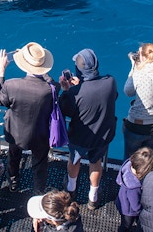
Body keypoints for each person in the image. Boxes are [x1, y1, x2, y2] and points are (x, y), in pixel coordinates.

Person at [0, 42, 58, 194]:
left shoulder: (11, 85)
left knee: (13, 158)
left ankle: (14, 183)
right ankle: (38, 192)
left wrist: (0, 71)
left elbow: (0, 100)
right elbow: (51, 83)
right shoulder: (52, 88)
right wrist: (43, 71)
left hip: (15, 134)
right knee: (40, 165)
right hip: (41, 136)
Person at [59, 48, 118, 209]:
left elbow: (64, 110)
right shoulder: (110, 82)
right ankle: (93, 197)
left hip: (79, 137)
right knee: (96, 161)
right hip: (102, 136)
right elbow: (112, 96)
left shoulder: (74, 92)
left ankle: (71, 189)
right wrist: (82, 85)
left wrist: (66, 90)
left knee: (74, 160)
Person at [122, 42, 153, 158]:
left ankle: (128, 176)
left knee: (130, 159)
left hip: (137, 126)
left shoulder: (139, 73)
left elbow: (128, 92)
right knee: (146, 160)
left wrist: (134, 67)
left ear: (143, 57)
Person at [115, 147, 153, 232]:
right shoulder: (133, 187)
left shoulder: (128, 164)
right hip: (129, 211)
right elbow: (136, 207)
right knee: (126, 225)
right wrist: (143, 211)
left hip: (122, 201)